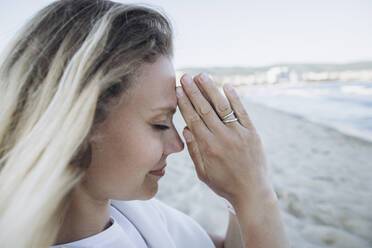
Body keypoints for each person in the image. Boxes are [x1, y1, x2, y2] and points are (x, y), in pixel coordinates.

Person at [0, 0, 290, 247]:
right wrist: (258, 194)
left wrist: (239, 196)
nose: (177, 145)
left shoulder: (128, 208)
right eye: (160, 124)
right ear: (75, 125)